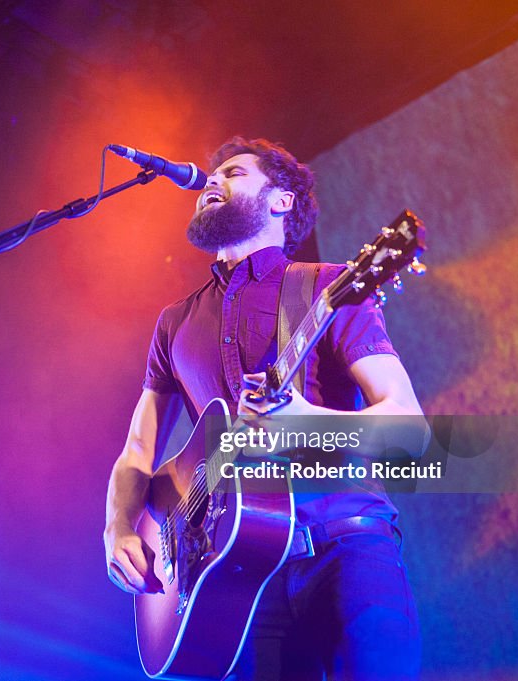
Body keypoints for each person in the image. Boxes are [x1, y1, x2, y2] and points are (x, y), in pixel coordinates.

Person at [103, 136, 427, 680]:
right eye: (210, 175)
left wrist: (305, 421)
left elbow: (409, 430)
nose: (211, 180)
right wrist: (117, 526)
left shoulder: (328, 288)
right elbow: (139, 448)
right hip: (236, 574)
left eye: (233, 172)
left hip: (344, 541)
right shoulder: (174, 323)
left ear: (282, 201)